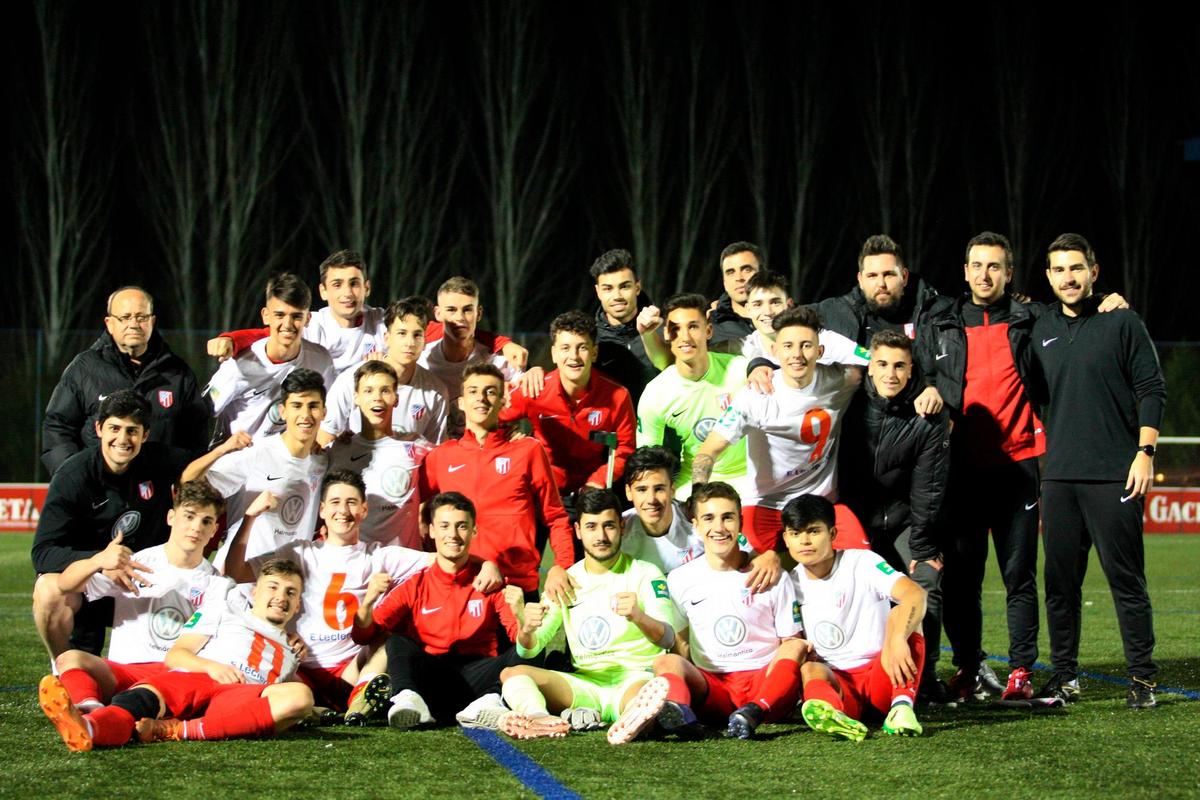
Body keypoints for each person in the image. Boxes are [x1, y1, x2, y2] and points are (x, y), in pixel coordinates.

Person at [922, 231, 1131, 702]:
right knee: (964, 579)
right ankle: (970, 667)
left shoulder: (1032, 318)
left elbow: (1079, 320)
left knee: (1019, 576)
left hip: (1018, 469)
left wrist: (1109, 301)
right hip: (962, 471)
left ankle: (1020, 670)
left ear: (1009, 273)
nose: (984, 274)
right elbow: (924, 376)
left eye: (994, 266)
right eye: (976, 265)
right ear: (964, 270)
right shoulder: (943, 323)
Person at [1029, 233, 1165, 709]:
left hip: (1115, 473)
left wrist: (1145, 452)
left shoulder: (1123, 321)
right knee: (1060, 584)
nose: (1068, 277)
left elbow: (1151, 388)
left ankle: (1143, 680)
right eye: (1059, 270)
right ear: (1048, 276)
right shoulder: (1038, 326)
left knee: (1126, 581)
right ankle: (1065, 677)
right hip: (1060, 476)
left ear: (1093, 271)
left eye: (1076, 268)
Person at [223, 470, 438, 725]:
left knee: (388, 643)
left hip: (350, 670)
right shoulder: (298, 552)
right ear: (322, 510)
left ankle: (359, 700)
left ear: (364, 510)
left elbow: (444, 560)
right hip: (298, 668)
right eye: (335, 502)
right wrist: (249, 517)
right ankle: (321, 710)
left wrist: (488, 564)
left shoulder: (379, 556)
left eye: (351, 502)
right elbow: (236, 572)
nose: (343, 510)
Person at [38, 559, 313, 751]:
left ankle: (173, 730)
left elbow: (280, 707)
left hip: (239, 697)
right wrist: (210, 667)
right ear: (255, 591)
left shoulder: (292, 651)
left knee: (300, 697)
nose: (281, 597)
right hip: (198, 675)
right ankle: (88, 726)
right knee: (140, 701)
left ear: (298, 602)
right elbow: (177, 655)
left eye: (291, 592)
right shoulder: (225, 610)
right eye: (273, 587)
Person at [617, 482, 806, 743]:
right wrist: (683, 678)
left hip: (765, 684)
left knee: (796, 646)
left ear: (740, 522)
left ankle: (755, 712)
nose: (718, 527)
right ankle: (683, 717)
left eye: (727, 517)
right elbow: (681, 643)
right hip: (714, 689)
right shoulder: (680, 579)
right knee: (665, 662)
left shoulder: (772, 575)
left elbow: (790, 642)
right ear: (695, 525)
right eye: (709, 518)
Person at [495, 489, 678, 742]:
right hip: (585, 685)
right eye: (591, 527)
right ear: (578, 530)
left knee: (648, 696)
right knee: (512, 674)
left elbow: (668, 639)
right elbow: (530, 650)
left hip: (635, 677)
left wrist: (639, 617)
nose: (601, 536)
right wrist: (526, 629)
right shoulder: (565, 580)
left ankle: (636, 716)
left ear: (622, 527)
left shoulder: (646, 574)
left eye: (609, 526)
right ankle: (539, 719)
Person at [32, 390, 193, 658]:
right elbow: (43, 553)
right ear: (99, 429)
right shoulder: (74, 476)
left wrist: (226, 448)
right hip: (94, 579)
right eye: (114, 428)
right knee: (49, 590)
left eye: (132, 431)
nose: (122, 439)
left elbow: (201, 467)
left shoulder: (163, 461)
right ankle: (62, 671)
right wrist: (99, 560)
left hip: (145, 579)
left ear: (145, 434)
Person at [693, 307, 867, 553]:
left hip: (822, 500)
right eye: (788, 346)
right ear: (774, 351)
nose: (797, 355)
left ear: (820, 352)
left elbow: (881, 363)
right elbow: (707, 453)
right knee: (752, 572)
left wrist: (924, 389)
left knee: (861, 564)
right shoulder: (755, 395)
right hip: (766, 504)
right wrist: (697, 500)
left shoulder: (841, 380)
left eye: (806, 345)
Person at [838, 330, 950, 701]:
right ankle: (850, 674)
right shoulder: (847, 405)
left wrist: (923, 547)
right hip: (855, 523)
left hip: (904, 522)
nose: (890, 373)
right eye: (882, 364)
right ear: (869, 368)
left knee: (925, 585)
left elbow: (928, 488)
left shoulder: (927, 415)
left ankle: (926, 678)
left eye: (899, 366)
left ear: (911, 368)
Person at [207, 250, 527, 376]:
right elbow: (268, 333)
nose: (347, 293)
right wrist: (230, 339)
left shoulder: (382, 322)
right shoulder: (311, 323)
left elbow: (453, 328)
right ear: (323, 292)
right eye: (337, 284)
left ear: (367, 288)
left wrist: (502, 343)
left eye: (354, 284)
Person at [52, 480, 224, 709]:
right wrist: (97, 561)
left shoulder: (216, 583)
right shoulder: (137, 563)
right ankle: (88, 709)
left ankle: (95, 716)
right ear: (171, 517)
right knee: (69, 658)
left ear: (214, 529)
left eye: (206, 521)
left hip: (173, 676)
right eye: (189, 516)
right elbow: (65, 584)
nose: (196, 527)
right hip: (125, 669)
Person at [364, 492, 525, 730]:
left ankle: (491, 701)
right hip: (433, 679)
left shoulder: (489, 582)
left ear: (474, 531)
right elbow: (364, 635)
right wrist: (368, 603)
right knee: (397, 642)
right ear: (431, 530)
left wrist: (522, 615)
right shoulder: (415, 584)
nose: (453, 535)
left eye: (462, 526)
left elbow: (517, 635)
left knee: (530, 647)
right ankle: (409, 699)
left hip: (478, 678)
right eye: (444, 526)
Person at [417, 364, 574, 599]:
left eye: (491, 391)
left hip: (516, 586)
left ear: (504, 401)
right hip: (460, 585)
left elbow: (555, 516)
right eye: (473, 391)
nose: (481, 398)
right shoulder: (440, 458)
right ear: (461, 402)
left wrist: (561, 565)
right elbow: (422, 521)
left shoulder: (527, 450)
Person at [749, 235, 949, 416]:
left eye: (888, 274)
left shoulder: (936, 313)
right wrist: (759, 363)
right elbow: (780, 327)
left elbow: (957, 368)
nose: (881, 283)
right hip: (859, 435)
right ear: (860, 280)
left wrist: (936, 391)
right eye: (872, 276)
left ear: (904, 276)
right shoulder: (838, 312)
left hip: (919, 426)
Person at [784, 495, 928, 740]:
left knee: (903, 615)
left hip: (884, 672)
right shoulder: (788, 583)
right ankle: (830, 711)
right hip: (839, 682)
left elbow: (915, 594)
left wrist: (897, 639)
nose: (804, 541)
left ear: (832, 533)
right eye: (796, 534)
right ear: (786, 539)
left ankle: (901, 707)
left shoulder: (862, 562)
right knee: (809, 667)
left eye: (813, 531)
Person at [42, 286, 209, 475]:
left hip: (158, 494)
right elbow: (58, 426)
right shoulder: (84, 369)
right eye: (125, 317)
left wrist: (183, 482)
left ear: (152, 321)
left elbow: (196, 438)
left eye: (141, 317)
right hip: (100, 493)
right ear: (109, 323)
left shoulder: (178, 373)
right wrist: (76, 477)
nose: (134, 324)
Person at [183, 368, 329, 573]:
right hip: (239, 580)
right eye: (296, 406)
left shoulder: (322, 462)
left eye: (313, 406)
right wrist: (221, 450)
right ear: (283, 411)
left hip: (284, 584)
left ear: (324, 412)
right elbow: (189, 485)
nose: (305, 415)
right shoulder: (257, 453)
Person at [501, 311, 637, 509]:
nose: (573, 356)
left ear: (594, 352)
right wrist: (508, 440)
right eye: (565, 348)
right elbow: (490, 419)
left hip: (591, 493)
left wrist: (597, 481)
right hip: (542, 491)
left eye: (582, 348)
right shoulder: (535, 388)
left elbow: (626, 448)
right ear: (554, 354)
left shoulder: (617, 395)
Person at [635, 293, 749, 499]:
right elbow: (647, 463)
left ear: (708, 331)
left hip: (749, 479)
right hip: (692, 484)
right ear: (667, 334)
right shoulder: (656, 393)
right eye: (676, 329)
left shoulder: (741, 370)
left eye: (693, 327)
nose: (685, 337)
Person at [204, 272, 335, 442]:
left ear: (308, 318)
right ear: (266, 315)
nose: (287, 325)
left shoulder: (321, 360)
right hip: (239, 461)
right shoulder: (238, 365)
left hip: (293, 460)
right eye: (280, 315)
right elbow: (200, 413)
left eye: (296, 316)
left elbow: (330, 412)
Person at [318, 296, 449, 446]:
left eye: (417, 335)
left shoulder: (436, 391)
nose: (410, 343)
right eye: (402, 333)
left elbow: (434, 450)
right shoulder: (352, 378)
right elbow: (325, 436)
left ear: (425, 341)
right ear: (387, 338)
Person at [328, 362, 427, 548]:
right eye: (368, 391)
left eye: (385, 391)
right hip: (357, 566)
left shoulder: (416, 446)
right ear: (356, 398)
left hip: (403, 569)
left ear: (396, 399)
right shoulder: (339, 450)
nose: (377, 398)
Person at [418, 277, 525, 438]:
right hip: (437, 455)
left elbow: (532, 400)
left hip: (484, 456)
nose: (460, 317)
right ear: (438, 314)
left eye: (467, 309)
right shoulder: (421, 360)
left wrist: (533, 371)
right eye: (451, 310)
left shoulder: (498, 362)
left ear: (479, 313)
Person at [715, 270, 867, 366]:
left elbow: (869, 358)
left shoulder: (824, 340)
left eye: (775, 302)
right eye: (757, 304)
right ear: (748, 309)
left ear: (789, 304)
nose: (767, 311)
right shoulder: (743, 348)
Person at [590, 249, 658, 406]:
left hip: (658, 429)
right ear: (598, 291)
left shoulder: (663, 330)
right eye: (608, 288)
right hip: (610, 429)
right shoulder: (589, 340)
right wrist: (534, 371)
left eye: (624, 286)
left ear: (638, 287)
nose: (617, 296)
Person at [709, 241, 763, 344]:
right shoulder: (710, 327)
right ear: (724, 282)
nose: (739, 278)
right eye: (730, 272)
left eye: (746, 270)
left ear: (762, 273)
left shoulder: (789, 319)